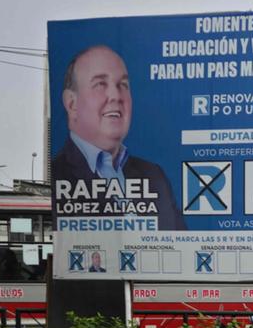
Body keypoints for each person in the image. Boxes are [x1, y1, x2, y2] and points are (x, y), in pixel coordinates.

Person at [51, 45, 186, 230]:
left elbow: (180, 245)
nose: (116, 96)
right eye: (100, 84)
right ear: (72, 103)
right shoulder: (59, 173)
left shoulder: (155, 176)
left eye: (123, 85)